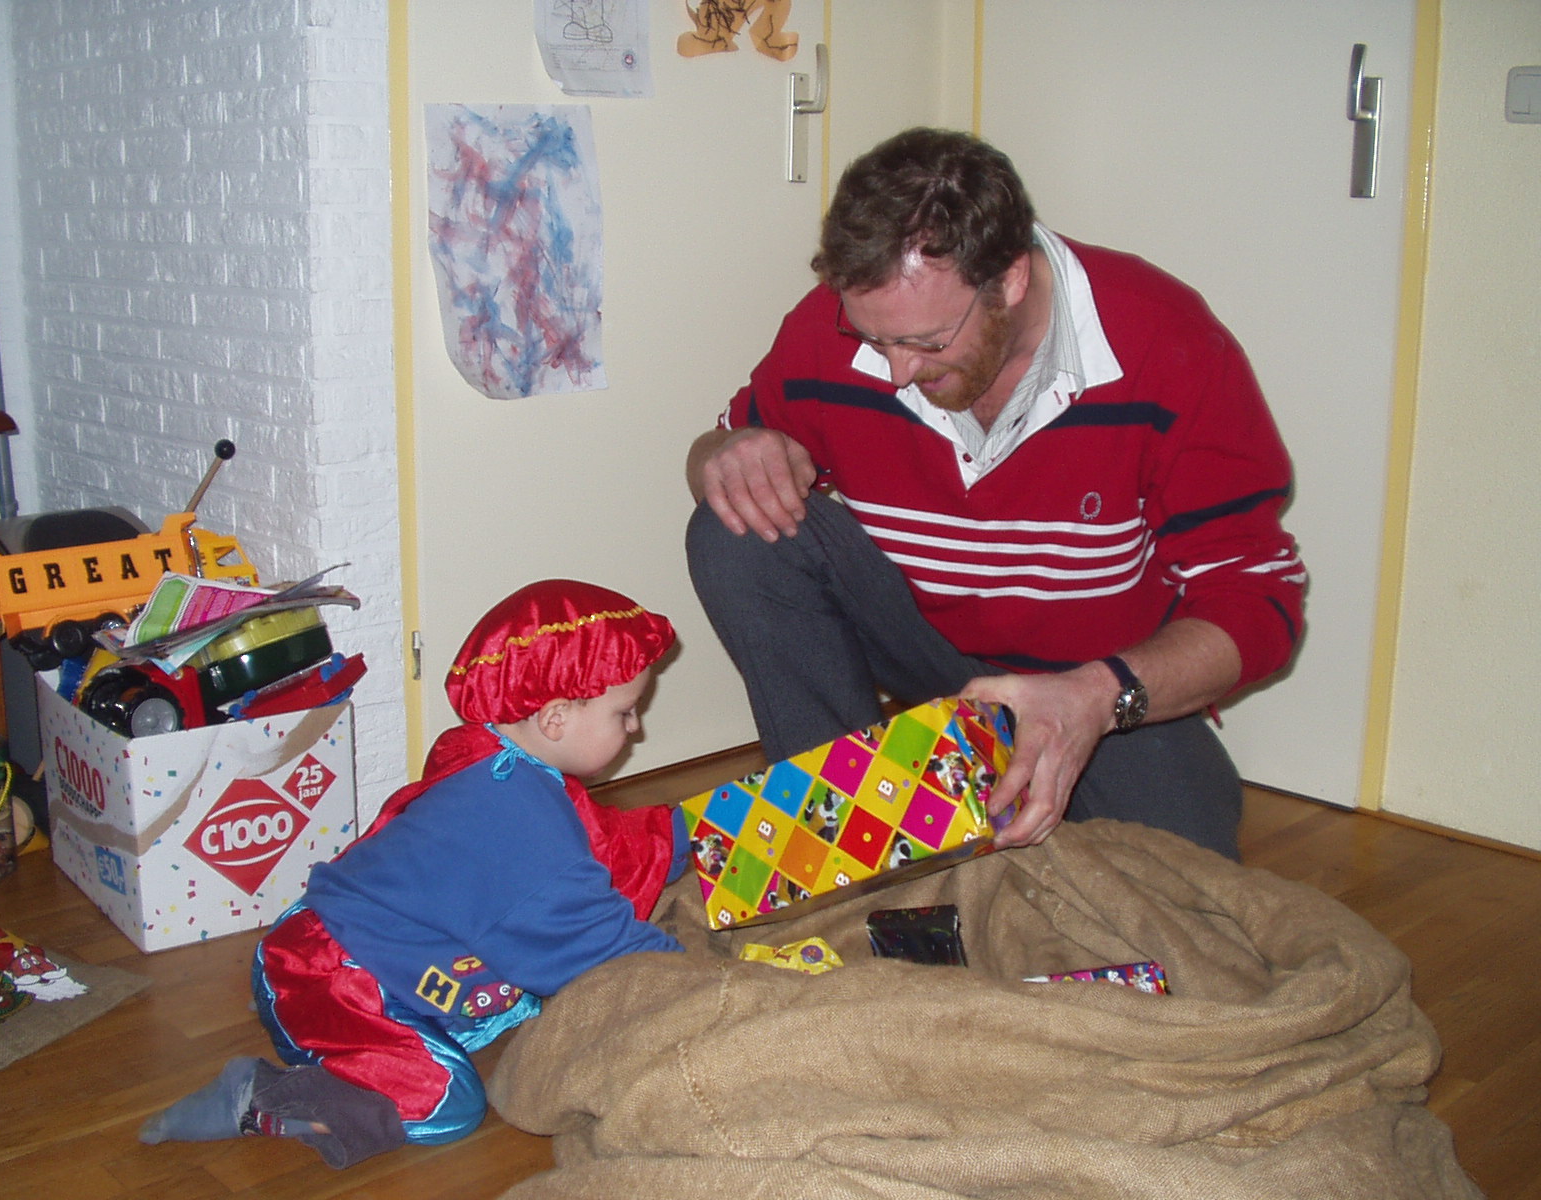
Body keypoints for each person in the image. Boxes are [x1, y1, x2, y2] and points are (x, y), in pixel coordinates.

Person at [685, 127, 1306, 861]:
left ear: (1010, 280)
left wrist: (1097, 697)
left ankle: (992, 802)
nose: (894, 372)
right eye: (875, 340)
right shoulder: (836, 329)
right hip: (920, 644)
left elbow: (1257, 598)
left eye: (927, 341)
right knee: (733, 530)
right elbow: (718, 454)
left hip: (1088, 683)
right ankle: (833, 835)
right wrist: (726, 454)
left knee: (1181, 878)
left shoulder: (1168, 342)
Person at [139, 579, 684, 1168]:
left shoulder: (499, 758)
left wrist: (698, 832)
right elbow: (594, 941)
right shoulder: (510, 817)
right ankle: (260, 1095)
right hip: (332, 973)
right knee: (445, 1104)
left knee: (513, 1003)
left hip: (375, 954)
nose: (636, 728)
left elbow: (604, 843)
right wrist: (689, 973)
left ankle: (323, 1028)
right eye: (624, 713)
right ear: (555, 718)